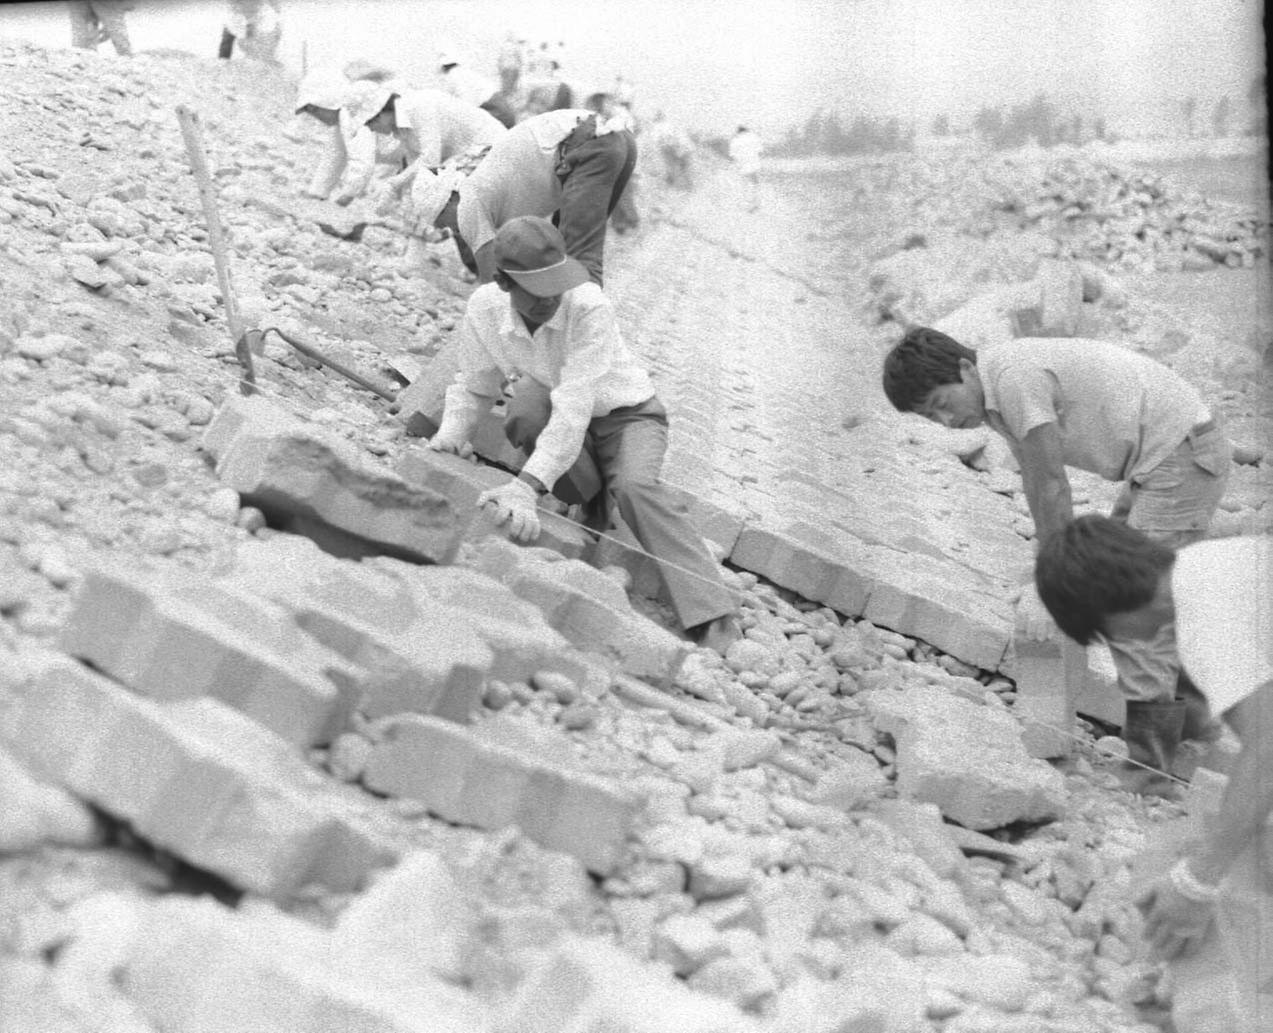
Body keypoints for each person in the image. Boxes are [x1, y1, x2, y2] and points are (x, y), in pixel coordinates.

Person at [881, 327, 1232, 795]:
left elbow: (1052, 484)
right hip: (1159, 458)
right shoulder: (997, 394)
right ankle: (1074, 736)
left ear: (966, 369)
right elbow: (1036, 482)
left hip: (1179, 458)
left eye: (944, 403)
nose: (946, 421)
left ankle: (1153, 770)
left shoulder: (1013, 378)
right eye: (931, 417)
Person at [427, 216, 743, 654]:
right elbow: (476, 383)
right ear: (502, 283)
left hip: (627, 416)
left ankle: (714, 616)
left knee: (634, 488)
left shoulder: (588, 305)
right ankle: (591, 500)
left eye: (557, 284)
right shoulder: (484, 308)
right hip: (556, 402)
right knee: (524, 411)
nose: (550, 299)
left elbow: (575, 409)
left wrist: (525, 488)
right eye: (537, 291)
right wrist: (450, 434)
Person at [1034, 515, 1271, 1031]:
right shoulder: (1212, 566)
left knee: (1224, 865)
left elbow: (1267, 749)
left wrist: (1196, 882)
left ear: (1109, 615)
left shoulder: (1203, 612)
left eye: (1102, 637)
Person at [430, 107, 636, 290]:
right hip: (617, 140)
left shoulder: (469, 204)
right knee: (567, 252)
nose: (452, 230)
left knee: (579, 256)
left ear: (448, 201)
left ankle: (583, 324)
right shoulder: (489, 192)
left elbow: (490, 282)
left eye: (443, 222)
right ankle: (574, 318)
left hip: (590, 145)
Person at [294, 73, 403, 207]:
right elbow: (334, 155)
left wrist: (347, 196)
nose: (318, 119)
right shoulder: (343, 117)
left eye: (315, 112)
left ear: (323, 104)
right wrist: (318, 192)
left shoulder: (352, 112)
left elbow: (363, 162)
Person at [584, 92, 639, 235]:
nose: (601, 106)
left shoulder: (621, 115)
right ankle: (619, 223)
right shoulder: (602, 115)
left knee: (623, 190)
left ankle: (632, 220)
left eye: (602, 103)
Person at [728, 125, 763, 211]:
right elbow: (760, 151)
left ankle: (745, 204)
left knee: (744, 184)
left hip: (741, 165)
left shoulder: (735, 140)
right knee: (755, 183)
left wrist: (737, 163)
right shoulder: (754, 137)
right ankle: (754, 203)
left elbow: (732, 155)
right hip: (754, 164)